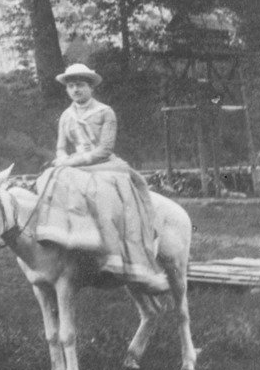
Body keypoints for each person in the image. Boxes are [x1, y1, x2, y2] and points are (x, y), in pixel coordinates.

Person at [28, 63, 168, 288]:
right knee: (46, 181)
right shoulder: (66, 115)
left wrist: (72, 161)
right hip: (74, 164)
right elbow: (61, 147)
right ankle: (64, 237)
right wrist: (62, 159)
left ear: (91, 87)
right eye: (71, 86)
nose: (75, 90)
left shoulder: (105, 112)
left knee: (100, 193)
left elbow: (104, 149)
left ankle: (113, 255)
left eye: (81, 85)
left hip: (104, 164)